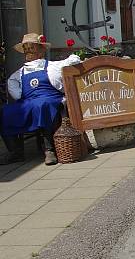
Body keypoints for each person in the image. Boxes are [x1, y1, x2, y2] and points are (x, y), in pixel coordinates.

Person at [1, 33, 81, 165]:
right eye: (26, 49)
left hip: (50, 99)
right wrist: (19, 95)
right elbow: (14, 88)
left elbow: (74, 59)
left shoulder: (51, 66)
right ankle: (15, 152)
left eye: (32, 48)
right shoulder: (20, 72)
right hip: (29, 101)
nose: (28, 52)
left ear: (41, 50)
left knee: (42, 105)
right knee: (4, 111)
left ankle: (49, 150)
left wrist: (72, 57)